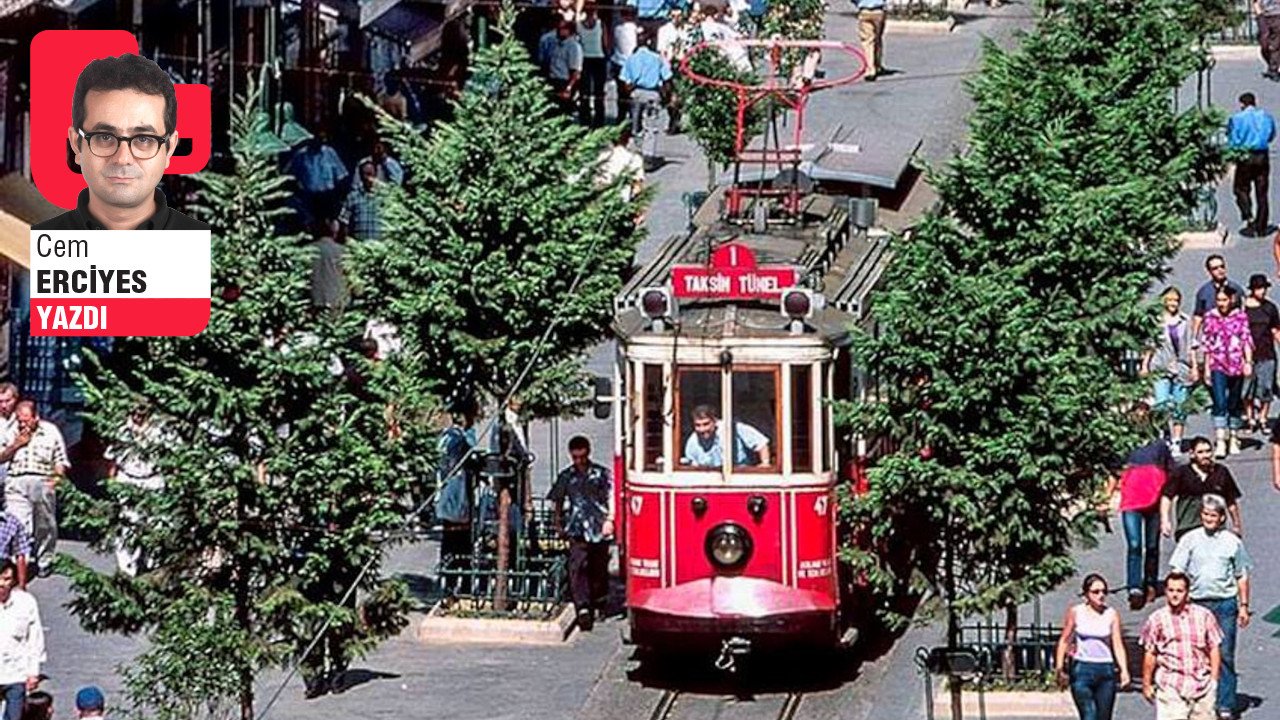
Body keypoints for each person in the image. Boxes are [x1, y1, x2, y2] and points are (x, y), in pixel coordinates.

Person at [33, 53, 208, 231]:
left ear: (169, 148)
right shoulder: (37, 246)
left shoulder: (203, 249)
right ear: (77, 144)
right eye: (105, 137)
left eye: (143, 139)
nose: (123, 158)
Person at [1168, 495, 1252, 720]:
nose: (1208, 519)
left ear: (1222, 517)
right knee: (1198, 653)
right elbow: (1177, 570)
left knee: (1224, 653)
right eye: (1205, 515)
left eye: (1213, 515)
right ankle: (1200, 699)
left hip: (1224, 603)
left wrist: (1243, 606)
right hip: (1197, 603)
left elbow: (1241, 575)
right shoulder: (1190, 539)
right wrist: (1177, 600)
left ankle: (1225, 703)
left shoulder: (1232, 542)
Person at [1105, 403, 1171, 610]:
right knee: (1134, 545)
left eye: (1144, 414)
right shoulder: (1123, 446)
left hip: (1154, 501)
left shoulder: (1158, 445)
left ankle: (1150, 582)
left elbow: (1170, 473)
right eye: (1136, 415)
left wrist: (1167, 504)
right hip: (1131, 502)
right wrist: (1106, 498)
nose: (1140, 418)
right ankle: (1135, 587)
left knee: (1152, 546)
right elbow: (1114, 473)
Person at [548, 436, 613, 631]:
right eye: (576, 457)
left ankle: (599, 601)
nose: (580, 461)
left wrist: (610, 520)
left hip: (598, 527)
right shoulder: (567, 476)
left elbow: (611, 497)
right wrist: (558, 522)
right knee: (577, 567)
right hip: (577, 527)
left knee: (598, 568)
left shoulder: (601, 474)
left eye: (583, 456)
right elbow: (557, 499)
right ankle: (583, 607)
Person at [1140, 571, 1222, 720]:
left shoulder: (1204, 616)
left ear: (1187, 592)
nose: (1175, 595)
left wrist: (1214, 680)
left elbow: (1214, 648)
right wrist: (1147, 684)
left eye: (1179, 590)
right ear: (1165, 592)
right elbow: (1150, 653)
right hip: (1170, 684)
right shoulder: (1157, 619)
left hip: (1201, 684)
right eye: (1171, 590)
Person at [0, 402, 68, 577]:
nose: (23, 424)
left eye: (26, 420)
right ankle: (17, 564)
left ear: (36, 417)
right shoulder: (11, 431)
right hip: (16, 481)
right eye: (20, 420)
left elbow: (60, 459)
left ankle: (44, 559)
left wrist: (56, 480)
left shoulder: (50, 431)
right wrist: (16, 445)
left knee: (44, 524)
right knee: (16, 523)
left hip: (42, 480)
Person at [1053, 574, 1130, 720]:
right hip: (1082, 668)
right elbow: (1064, 640)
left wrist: (1124, 670)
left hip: (1105, 669)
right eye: (1096, 592)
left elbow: (1117, 644)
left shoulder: (1111, 614)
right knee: (1089, 715)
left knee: (1104, 716)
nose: (1100, 596)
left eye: (1103, 592)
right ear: (1086, 594)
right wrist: (1059, 667)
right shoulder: (1076, 612)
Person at [104, 402, 166, 576]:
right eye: (134, 413)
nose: (137, 417)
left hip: (152, 480)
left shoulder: (160, 431)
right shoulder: (122, 430)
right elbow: (112, 458)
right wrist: (112, 482)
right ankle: (126, 570)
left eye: (141, 414)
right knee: (127, 525)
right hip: (128, 478)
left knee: (155, 525)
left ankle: (153, 565)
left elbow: (171, 457)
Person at [1198, 287, 1253, 457]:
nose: (1222, 303)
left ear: (1231, 300)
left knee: (1234, 402)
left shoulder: (1240, 316)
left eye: (1224, 300)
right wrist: (1206, 367)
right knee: (1220, 402)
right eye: (1219, 300)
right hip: (1218, 363)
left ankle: (1234, 436)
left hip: (1236, 364)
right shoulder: (1211, 317)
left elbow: (1246, 339)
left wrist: (1248, 362)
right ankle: (1221, 439)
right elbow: (1207, 343)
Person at [1142, 287, 1197, 454]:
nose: (1173, 303)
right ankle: (1164, 434)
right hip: (1161, 366)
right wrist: (1145, 365)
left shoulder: (1185, 321)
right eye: (1170, 300)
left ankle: (1177, 441)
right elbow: (1150, 345)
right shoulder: (1157, 322)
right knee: (1161, 403)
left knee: (1180, 406)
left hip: (1181, 367)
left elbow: (1191, 345)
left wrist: (1194, 366)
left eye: (1176, 300)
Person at [1160, 437, 1243, 542]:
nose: (1205, 455)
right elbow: (1167, 497)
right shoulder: (1182, 472)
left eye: (1208, 451)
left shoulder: (1221, 472)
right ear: (1192, 454)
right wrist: (1165, 520)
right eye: (1200, 452)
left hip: (1215, 528)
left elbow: (1231, 501)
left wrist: (1236, 525)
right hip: (1188, 527)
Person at [619, 29, 673, 168]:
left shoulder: (631, 58)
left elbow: (624, 80)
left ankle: (637, 151)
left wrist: (629, 93)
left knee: (636, 123)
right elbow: (667, 78)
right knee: (651, 126)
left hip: (636, 93)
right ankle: (648, 155)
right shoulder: (657, 58)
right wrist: (667, 95)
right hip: (652, 94)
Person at [1226, 92, 1276, 238]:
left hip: (1245, 156)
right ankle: (1262, 226)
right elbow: (1272, 134)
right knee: (1262, 192)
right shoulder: (1266, 116)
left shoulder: (1236, 119)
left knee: (1240, 188)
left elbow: (1233, 140)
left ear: (1242, 104)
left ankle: (1248, 214)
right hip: (1262, 156)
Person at [0, 560, 44, 720]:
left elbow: (35, 638)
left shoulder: (26, 602)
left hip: (15, 674)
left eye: (6, 579)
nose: (2, 584)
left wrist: (33, 672)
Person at [1242, 274, 1280, 433]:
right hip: (1248, 355)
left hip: (1267, 353)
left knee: (1266, 388)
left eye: (1264, 288)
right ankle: (1250, 418)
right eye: (1258, 288)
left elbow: (1275, 330)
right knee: (1248, 390)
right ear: (1252, 290)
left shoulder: (1270, 308)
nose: (1262, 291)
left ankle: (1263, 417)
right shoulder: (1244, 308)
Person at [682, 405, 771, 468]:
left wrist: (765, 463)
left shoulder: (733, 428)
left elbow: (761, 443)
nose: (702, 429)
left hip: (741, 474)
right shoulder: (692, 441)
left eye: (706, 424)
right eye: (698, 425)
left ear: (715, 421)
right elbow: (692, 466)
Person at [1192, 255, 1244, 340]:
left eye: (1222, 266)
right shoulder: (1203, 292)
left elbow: (1243, 313)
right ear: (1209, 271)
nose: (1220, 270)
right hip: (1212, 339)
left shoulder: (1236, 289)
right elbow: (1198, 316)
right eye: (1215, 268)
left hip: (1234, 338)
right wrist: (1194, 339)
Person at [576, 5, 611, 127]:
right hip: (598, 59)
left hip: (585, 59)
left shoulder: (579, 25)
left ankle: (584, 120)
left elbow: (578, 42)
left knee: (585, 91)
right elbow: (605, 43)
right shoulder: (601, 24)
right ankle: (599, 121)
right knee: (598, 92)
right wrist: (607, 55)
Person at [338, 161, 384, 241]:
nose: (367, 178)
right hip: (359, 246)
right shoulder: (353, 196)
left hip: (380, 246)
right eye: (364, 174)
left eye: (370, 174)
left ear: (375, 175)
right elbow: (344, 221)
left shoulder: (385, 196)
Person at [547, 21, 585, 115]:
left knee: (564, 113)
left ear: (570, 30)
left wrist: (568, 88)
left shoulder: (574, 46)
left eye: (564, 29)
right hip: (553, 80)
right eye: (559, 29)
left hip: (564, 81)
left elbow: (576, 71)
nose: (560, 31)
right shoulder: (554, 44)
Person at [611, 5, 639, 123]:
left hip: (619, 62)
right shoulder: (636, 30)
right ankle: (633, 118)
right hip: (632, 64)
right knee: (633, 92)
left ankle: (621, 117)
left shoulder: (617, 29)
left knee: (621, 92)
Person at [855, 0, 887, 82]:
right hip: (878, 10)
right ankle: (877, 64)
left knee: (867, 41)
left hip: (864, 11)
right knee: (877, 38)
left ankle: (870, 69)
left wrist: (858, 4)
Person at [1259, 0, 1280, 81]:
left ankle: (1273, 69)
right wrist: (1259, 15)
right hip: (1264, 15)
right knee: (1264, 44)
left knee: (1275, 45)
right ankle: (1271, 65)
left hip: (1278, 14)